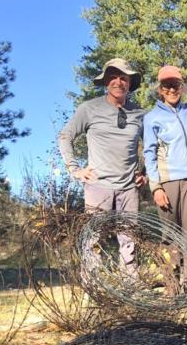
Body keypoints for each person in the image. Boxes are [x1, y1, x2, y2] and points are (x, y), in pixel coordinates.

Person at [58, 58, 147, 272]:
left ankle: (130, 286)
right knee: (94, 238)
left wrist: (145, 172)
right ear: (106, 82)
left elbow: (151, 146)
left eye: (123, 78)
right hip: (98, 185)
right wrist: (75, 169)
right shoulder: (89, 109)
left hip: (128, 188)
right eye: (113, 77)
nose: (118, 82)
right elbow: (65, 136)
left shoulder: (139, 114)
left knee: (129, 239)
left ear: (129, 83)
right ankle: (94, 285)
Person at [143, 65, 187, 286]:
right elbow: (149, 153)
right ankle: (172, 284)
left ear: (182, 86)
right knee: (170, 234)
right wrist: (156, 187)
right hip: (167, 180)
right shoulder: (152, 118)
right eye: (167, 85)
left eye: (176, 84)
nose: (172, 89)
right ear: (160, 89)